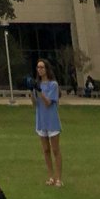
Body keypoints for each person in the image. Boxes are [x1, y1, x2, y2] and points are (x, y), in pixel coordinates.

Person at [32, 58, 63, 187]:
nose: (39, 70)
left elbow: (48, 102)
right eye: (38, 67)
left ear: (47, 69)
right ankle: (50, 176)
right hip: (41, 120)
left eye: (42, 67)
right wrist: (32, 91)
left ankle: (58, 178)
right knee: (45, 150)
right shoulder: (38, 85)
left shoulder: (53, 85)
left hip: (52, 121)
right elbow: (35, 104)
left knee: (55, 150)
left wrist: (40, 91)